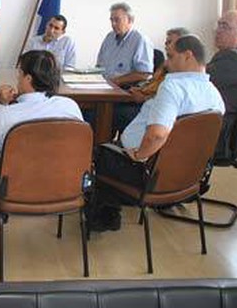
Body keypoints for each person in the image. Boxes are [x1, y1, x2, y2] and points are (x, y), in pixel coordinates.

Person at [90, 35, 225, 231]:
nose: (166, 63)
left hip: (145, 171)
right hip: (185, 176)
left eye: (170, 56)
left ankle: (103, 219)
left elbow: (157, 135)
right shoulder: (215, 94)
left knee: (100, 153)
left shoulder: (173, 87)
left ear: (188, 56)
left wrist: (138, 155)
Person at [0, 50, 83, 170]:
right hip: (67, 181)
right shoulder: (70, 106)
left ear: (28, 78)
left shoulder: (7, 115)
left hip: (20, 184)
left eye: (19, 73)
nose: (17, 77)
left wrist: (2, 105)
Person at [113, 27, 191, 133]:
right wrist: (141, 89)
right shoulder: (166, 64)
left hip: (151, 109)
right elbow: (153, 82)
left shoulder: (182, 69)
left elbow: (167, 97)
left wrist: (144, 98)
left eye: (170, 42)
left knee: (111, 113)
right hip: (143, 98)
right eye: (166, 42)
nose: (166, 45)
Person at [207, 10, 237, 160]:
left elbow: (194, 83)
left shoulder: (233, 58)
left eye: (225, 26)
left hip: (217, 134)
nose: (218, 30)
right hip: (228, 131)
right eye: (219, 25)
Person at [96, 2, 154, 86]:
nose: (113, 24)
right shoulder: (109, 37)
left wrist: (116, 81)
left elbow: (145, 74)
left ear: (130, 20)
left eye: (117, 20)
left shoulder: (140, 40)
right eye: (111, 20)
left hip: (125, 90)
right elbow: (99, 66)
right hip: (104, 86)